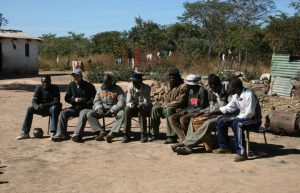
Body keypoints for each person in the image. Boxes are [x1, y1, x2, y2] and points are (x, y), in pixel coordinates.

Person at [205, 77, 262, 162]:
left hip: (254, 120)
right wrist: (213, 112)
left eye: (230, 89)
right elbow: (229, 107)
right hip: (241, 117)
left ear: (237, 88)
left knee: (237, 124)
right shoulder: (236, 95)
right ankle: (225, 147)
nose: (228, 91)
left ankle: (242, 153)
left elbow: (249, 114)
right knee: (220, 119)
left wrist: (232, 118)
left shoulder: (249, 95)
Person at [171, 74, 229, 155]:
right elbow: (209, 107)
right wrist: (201, 112)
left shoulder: (223, 93)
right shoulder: (211, 93)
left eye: (212, 88)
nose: (212, 90)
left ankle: (187, 145)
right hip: (210, 113)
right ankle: (187, 143)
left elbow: (221, 109)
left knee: (205, 122)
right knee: (193, 120)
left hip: (220, 116)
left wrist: (205, 113)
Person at [51, 68, 96, 142]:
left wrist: (84, 102)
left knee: (82, 113)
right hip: (75, 108)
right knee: (63, 112)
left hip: (85, 108)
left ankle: (77, 134)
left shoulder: (89, 86)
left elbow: (94, 99)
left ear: (81, 76)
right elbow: (67, 98)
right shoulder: (71, 85)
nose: (75, 77)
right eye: (74, 75)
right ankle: (62, 133)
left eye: (77, 75)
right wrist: (73, 100)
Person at [16, 75, 61, 140]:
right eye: (43, 82)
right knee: (30, 109)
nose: (45, 84)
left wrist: (44, 105)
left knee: (54, 108)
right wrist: (36, 107)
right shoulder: (38, 88)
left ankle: (53, 133)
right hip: (41, 109)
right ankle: (25, 133)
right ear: (41, 82)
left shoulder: (55, 88)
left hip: (51, 109)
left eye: (47, 82)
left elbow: (56, 102)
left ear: (50, 81)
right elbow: (34, 101)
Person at [150, 68, 188, 144]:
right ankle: (154, 133)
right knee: (155, 108)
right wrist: (162, 103)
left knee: (169, 110)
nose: (171, 80)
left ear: (178, 77)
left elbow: (179, 101)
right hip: (166, 105)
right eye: (170, 78)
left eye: (173, 78)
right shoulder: (168, 85)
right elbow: (165, 98)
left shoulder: (183, 86)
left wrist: (167, 105)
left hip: (178, 108)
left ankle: (171, 136)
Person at [86, 74, 125, 143]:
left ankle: (111, 134)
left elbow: (121, 102)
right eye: (105, 83)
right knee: (90, 114)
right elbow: (96, 101)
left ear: (111, 82)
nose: (106, 85)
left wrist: (112, 110)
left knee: (122, 113)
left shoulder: (118, 89)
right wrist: (99, 109)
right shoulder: (100, 89)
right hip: (102, 110)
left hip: (114, 110)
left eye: (108, 84)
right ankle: (101, 132)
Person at [169, 74, 208, 142]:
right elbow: (190, 105)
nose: (187, 85)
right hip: (190, 110)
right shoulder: (190, 90)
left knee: (183, 119)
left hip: (198, 112)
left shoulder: (202, 91)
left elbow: (202, 107)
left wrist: (187, 112)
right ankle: (183, 138)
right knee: (172, 118)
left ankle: (189, 139)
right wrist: (183, 109)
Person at [122, 73, 152, 143]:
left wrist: (140, 104)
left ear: (141, 82)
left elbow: (147, 102)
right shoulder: (130, 87)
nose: (135, 84)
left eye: (137, 82)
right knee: (126, 109)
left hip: (144, 107)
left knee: (141, 110)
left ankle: (143, 134)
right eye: (134, 82)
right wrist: (131, 104)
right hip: (134, 107)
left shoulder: (147, 88)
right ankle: (126, 134)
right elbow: (128, 101)